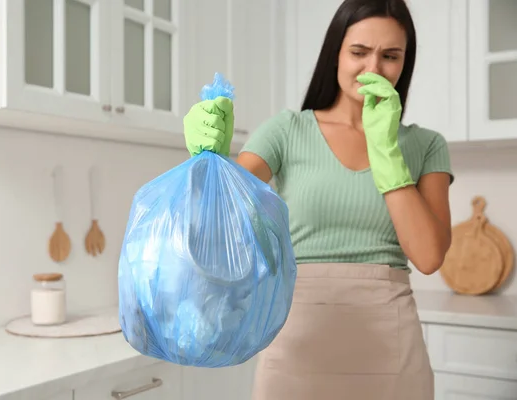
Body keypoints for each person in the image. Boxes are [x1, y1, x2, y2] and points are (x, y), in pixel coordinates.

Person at [182, 0, 453, 398]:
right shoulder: (286, 131)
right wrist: (207, 160)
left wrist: (386, 152)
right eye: (359, 52)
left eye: (390, 56)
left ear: (404, 64)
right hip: (297, 346)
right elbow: (219, 214)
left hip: (389, 353)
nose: (373, 69)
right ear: (336, 53)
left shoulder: (426, 146)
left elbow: (429, 257)